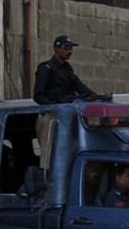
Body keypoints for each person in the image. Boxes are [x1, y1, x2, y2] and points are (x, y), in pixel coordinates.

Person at [33, 35, 95, 169]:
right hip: (50, 117)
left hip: (66, 116)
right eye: (66, 48)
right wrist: (56, 107)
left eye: (71, 48)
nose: (69, 51)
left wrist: (95, 97)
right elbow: (38, 96)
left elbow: (81, 88)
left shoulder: (68, 69)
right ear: (56, 48)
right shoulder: (46, 68)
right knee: (48, 156)